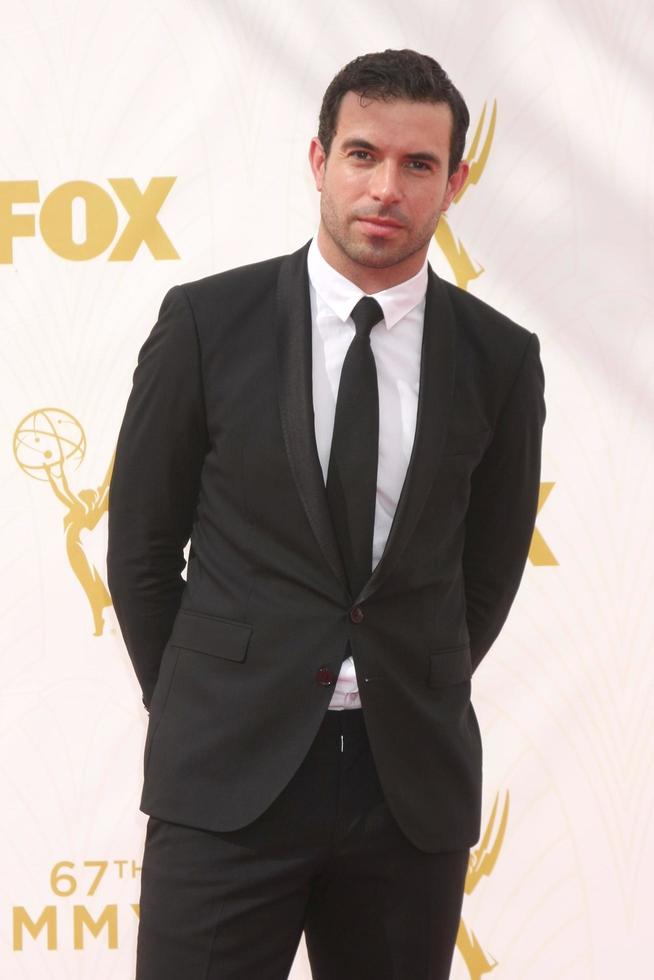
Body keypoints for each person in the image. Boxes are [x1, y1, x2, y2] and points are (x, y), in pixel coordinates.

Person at [107, 48, 545, 980]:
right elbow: (142, 551)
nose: (386, 186)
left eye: (418, 165)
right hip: (227, 777)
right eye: (362, 155)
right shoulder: (205, 325)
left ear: (454, 183)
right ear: (318, 161)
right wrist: (208, 697)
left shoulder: (500, 360)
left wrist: (404, 686)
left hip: (406, 791)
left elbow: (489, 570)